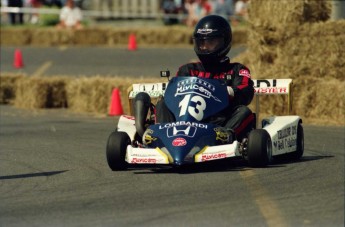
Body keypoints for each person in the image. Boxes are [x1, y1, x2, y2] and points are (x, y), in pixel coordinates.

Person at [156, 14, 255, 143]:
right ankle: (161, 136)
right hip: (184, 122)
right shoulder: (188, 70)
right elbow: (175, 97)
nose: (204, 47)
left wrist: (230, 92)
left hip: (219, 123)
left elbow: (246, 92)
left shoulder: (237, 70)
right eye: (201, 42)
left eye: (210, 43)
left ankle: (224, 137)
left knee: (244, 111)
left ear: (224, 42)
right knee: (162, 103)